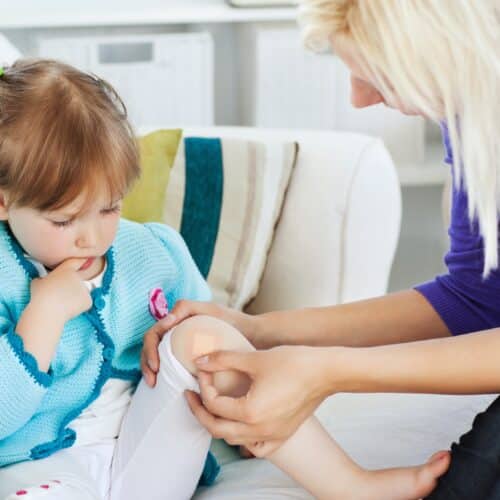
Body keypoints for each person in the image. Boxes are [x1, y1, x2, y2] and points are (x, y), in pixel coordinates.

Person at [0, 58, 449, 500]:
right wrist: (43, 315)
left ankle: (352, 485)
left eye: (110, 207)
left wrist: (238, 419)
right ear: (5, 203)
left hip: (151, 458)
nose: (93, 238)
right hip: (35, 471)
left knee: (204, 335)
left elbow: (220, 353)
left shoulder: (151, 253)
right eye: (64, 221)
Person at [141, 1, 500, 498]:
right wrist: (261, 332)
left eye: (379, 75)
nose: (357, 98)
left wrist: (330, 372)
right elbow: (477, 301)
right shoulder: (473, 114)